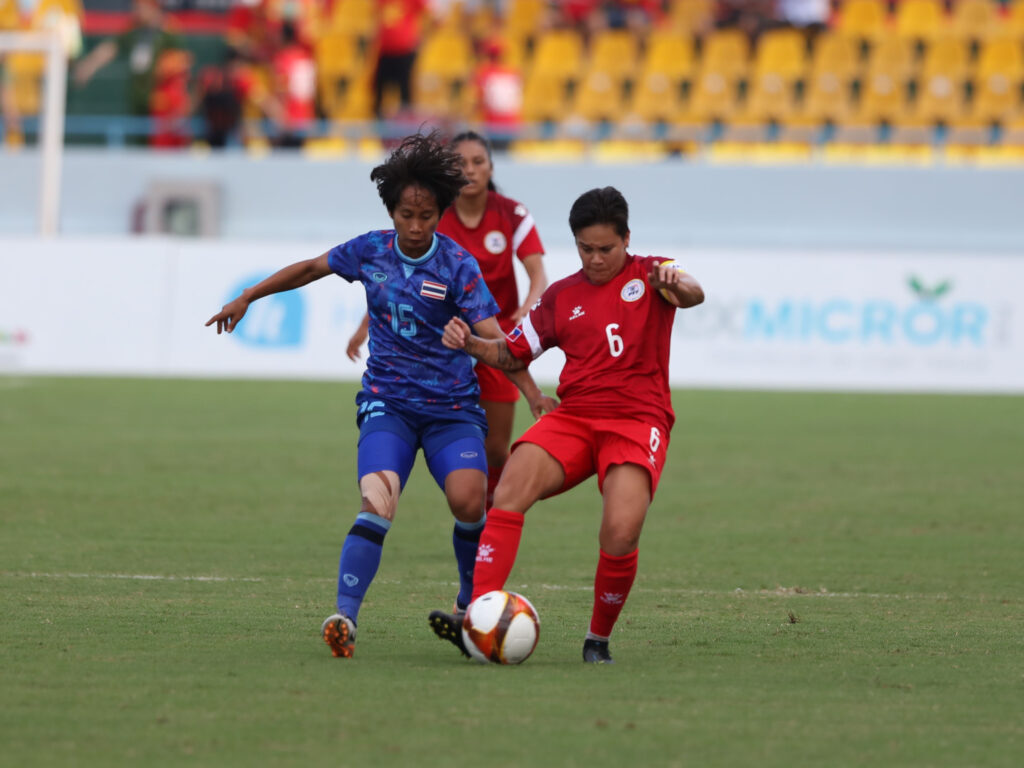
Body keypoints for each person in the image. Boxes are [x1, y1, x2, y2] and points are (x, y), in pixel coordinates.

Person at [205, 132, 555, 659]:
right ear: (391, 211)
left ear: (440, 212)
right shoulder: (369, 250)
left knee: (468, 500)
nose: (415, 227)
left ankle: (468, 607)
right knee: (377, 501)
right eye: (406, 215)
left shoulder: (458, 266)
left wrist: (531, 392)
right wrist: (249, 295)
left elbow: (498, 342)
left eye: (426, 216)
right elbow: (310, 268)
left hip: (452, 410)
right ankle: (345, 616)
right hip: (387, 404)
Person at [428, 186, 705, 664]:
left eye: (606, 249)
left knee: (620, 531)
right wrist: (470, 343)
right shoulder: (561, 297)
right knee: (509, 486)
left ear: (626, 240)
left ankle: (597, 641)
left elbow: (694, 293)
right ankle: (477, 618)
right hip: (575, 417)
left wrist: (674, 282)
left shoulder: (653, 272)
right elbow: (512, 352)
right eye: (585, 249)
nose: (595, 259)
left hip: (638, 421)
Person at [347, 130, 549, 509]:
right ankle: (477, 524)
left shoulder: (511, 213)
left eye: (478, 162)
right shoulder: (434, 213)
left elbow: (538, 273)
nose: (470, 170)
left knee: (496, 452)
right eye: (461, 163)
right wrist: (364, 328)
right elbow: (396, 281)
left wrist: (529, 306)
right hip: (441, 345)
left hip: (493, 340)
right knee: (461, 452)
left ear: (491, 167)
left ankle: (491, 521)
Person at [72, 0, 185, 142]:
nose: (136, 11)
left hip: (160, 106)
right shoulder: (134, 30)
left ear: (152, 8)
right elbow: (111, 47)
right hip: (138, 101)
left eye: (140, 7)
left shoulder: (168, 32)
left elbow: (178, 70)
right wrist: (89, 65)